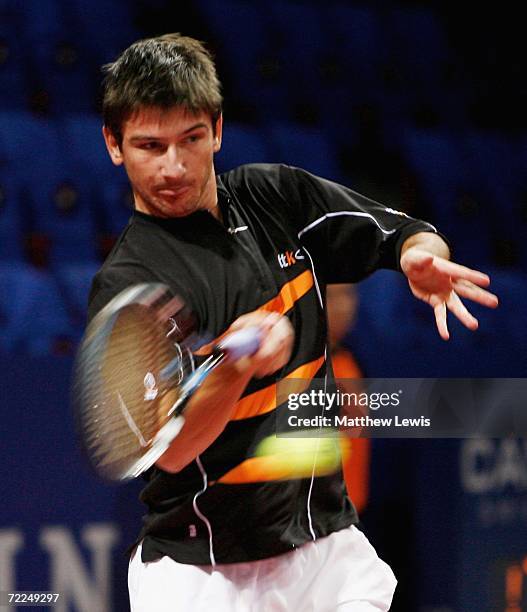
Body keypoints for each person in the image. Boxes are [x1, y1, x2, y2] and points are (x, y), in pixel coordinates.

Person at [88, 33, 498, 611]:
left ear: (218, 130)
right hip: (204, 573)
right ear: (114, 144)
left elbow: (398, 230)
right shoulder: (129, 285)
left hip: (324, 556)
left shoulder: (276, 197)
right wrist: (234, 365)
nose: (174, 166)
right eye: (150, 146)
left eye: (191, 139)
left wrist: (416, 255)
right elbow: (175, 452)